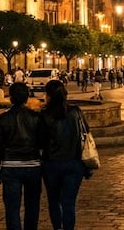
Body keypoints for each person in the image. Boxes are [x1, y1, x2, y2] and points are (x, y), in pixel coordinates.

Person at [0, 82, 43, 230]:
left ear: (11, 97)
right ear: (27, 97)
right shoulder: (36, 117)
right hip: (33, 165)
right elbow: (42, 142)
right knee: (32, 205)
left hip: (10, 167)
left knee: (12, 208)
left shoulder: (3, 118)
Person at [40, 80, 90, 230]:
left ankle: (57, 227)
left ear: (48, 95)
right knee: (69, 202)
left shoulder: (44, 114)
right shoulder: (76, 111)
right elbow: (86, 131)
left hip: (51, 164)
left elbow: (40, 141)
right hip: (74, 163)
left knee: (53, 200)